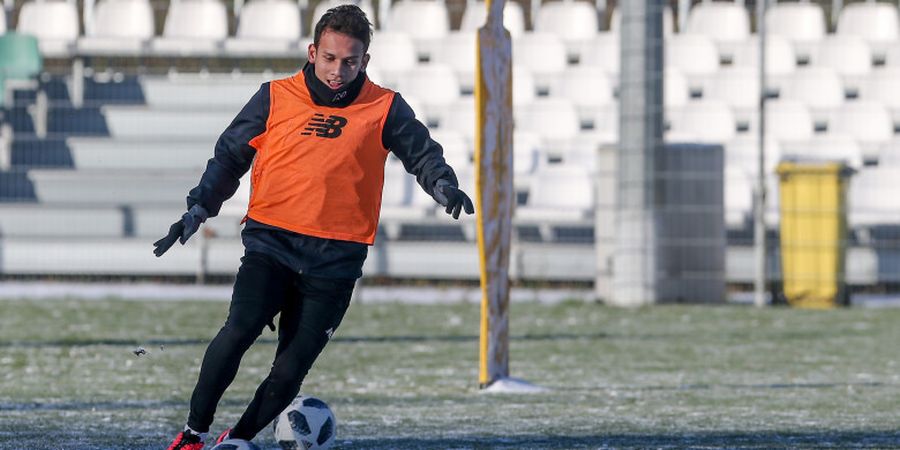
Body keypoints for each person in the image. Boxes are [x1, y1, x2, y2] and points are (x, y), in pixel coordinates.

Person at [159, 5, 474, 449]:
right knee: (240, 329)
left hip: (338, 259)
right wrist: (199, 209)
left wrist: (442, 183)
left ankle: (239, 440)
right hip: (272, 242)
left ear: (365, 60)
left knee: (290, 369)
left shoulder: (386, 107)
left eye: (350, 61)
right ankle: (193, 434)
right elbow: (230, 157)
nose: (337, 70)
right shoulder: (274, 96)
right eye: (329, 58)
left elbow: (422, 154)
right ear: (312, 52)